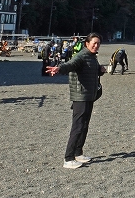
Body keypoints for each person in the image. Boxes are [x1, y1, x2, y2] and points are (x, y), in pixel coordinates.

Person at [47, 32, 106, 169]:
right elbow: (70, 65)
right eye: (94, 43)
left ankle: (78, 153)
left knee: (84, 126)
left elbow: (92, 70)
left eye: (98, 44)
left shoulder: (92, 57)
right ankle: (68, 158)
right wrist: (59, 68)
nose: (96, 46)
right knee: (78, 127)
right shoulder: (81, 56)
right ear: (87, 43)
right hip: (80, 97)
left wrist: (101, 70)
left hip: (89, 96)